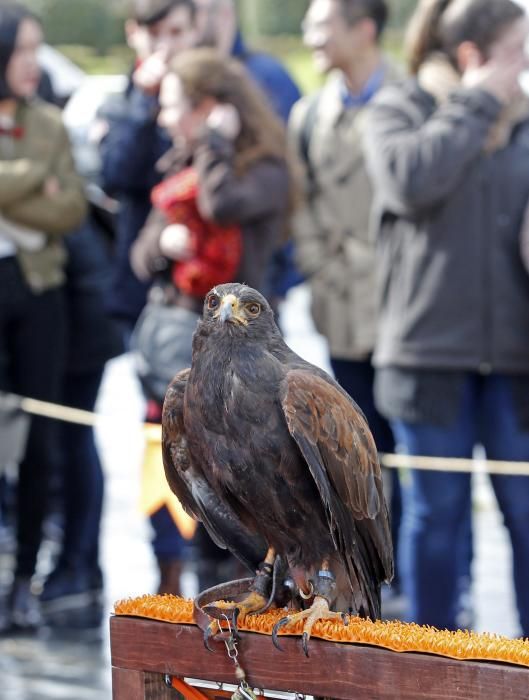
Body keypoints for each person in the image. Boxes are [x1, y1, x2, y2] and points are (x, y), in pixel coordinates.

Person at [363, 0, 529, 635]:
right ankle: (429, 658)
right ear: (473, 56)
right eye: (517, 51)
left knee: (526, 512)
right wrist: (476, 101)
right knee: (436, 520)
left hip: (515, 359)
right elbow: (410, 182)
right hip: (427, 358)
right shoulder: (401, 108)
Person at [289, 0, 402, 600]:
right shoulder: (309, 115)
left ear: (365, 28)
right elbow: (299, 203)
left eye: (322, 21)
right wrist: (318, 263)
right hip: (339, 303)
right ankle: (374, 577)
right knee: (355, 449)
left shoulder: (412, 102)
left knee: (415, 454)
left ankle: (411, 579)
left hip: (406, 307)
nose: (310, 33)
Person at [0, 2, 86, 631]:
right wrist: (36, 182)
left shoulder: (50, 122)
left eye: (38, 49)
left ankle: (23, 580)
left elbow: (71, 210)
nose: (33, 62)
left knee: (39, 439)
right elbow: (49, 196)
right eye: (22, 49)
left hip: (39, 294)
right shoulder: (44, 146)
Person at [192, 0, 303, 307]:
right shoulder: (184, 74)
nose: (192, 22)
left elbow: (294, 177)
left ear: (224, 12)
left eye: (197, 11)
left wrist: (285, 272)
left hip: (260, 274)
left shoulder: (267, 76)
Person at [100, 0, 198, 340]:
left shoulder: (222, 97)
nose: (166, 47)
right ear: (134, 34)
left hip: (207, 287)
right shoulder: (121, 104)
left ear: (195, 32)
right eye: (154, 34)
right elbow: (115, 175)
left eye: (177, 32)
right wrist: (145, 104)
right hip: (142, 283)